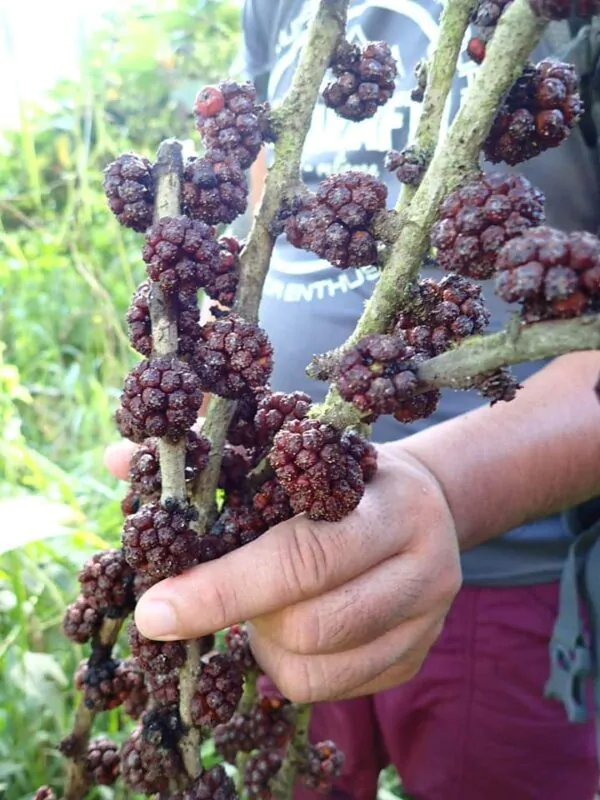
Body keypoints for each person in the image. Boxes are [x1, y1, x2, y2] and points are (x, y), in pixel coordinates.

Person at [105, 2, 600, 798]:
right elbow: (262, 199)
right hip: (264, 557)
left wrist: (448, 487)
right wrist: (203, 380)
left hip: (504, 578)